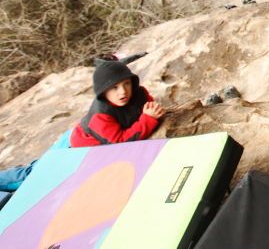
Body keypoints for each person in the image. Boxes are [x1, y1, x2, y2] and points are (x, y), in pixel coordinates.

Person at [0, 53, 163, 193]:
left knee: (35, 169)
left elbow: (146, 107)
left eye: (126, 83)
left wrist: (148, 113)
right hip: (74, 149)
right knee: (35, 177)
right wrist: (148, 119)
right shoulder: (100, 116)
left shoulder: (139, 93)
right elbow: (120, 142)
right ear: (103, 90)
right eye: (114, 87)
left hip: (78, 140)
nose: (123, 91)